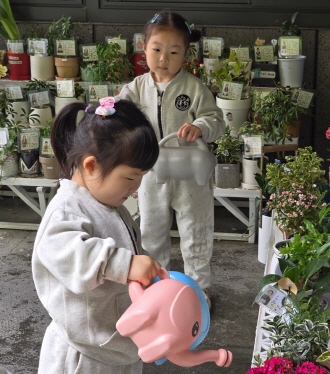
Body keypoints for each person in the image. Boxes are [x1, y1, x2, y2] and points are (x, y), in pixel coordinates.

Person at [32, 98, 161, 373]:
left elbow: (127, 246)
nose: (135, 188)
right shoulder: (66, 211)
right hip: (84, 356)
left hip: (115, 345)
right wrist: (125, 264)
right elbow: (73, 256)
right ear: (91, 166)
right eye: (130, 179)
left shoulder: (109, 204)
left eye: (141, 179)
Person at [118, 11, 225, 309]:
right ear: (144, 47)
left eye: (174, 52)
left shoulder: (194, 89)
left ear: (186, 54)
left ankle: (199, 291)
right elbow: (118, 111)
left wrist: (200, 126)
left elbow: (216, 121)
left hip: (191, 175)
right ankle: (156, 290)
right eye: (157, 50)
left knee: (196, 232)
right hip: (152, 172)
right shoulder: (137, 88)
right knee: (151, 233)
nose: (164, 58)